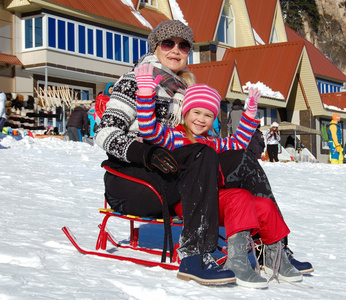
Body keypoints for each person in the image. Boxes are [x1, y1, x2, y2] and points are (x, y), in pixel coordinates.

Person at [95, 20, 235, 286]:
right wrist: (144, 153)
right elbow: (105, 132)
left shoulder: (187, 90)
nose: (176, 50)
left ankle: (270, 243)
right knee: (200, 155)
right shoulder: (135, 80)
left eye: (183, 45)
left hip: (173, 178)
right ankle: (195, 255)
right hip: (133, 180)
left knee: (238, 158)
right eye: (168, 43)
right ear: (155, 47)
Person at [134, 67, 302, 287]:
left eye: (209, 115)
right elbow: (148, 129)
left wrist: (249, 114)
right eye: (196, 112)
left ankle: (272, 255)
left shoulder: (212, 142)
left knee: (263, 205)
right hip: (190, 202)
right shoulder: (173, 136)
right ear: (185, 112)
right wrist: (146, 94)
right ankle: (235, 260)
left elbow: (238, 145)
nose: (201, 119)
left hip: (214, 199)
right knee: (239, 197)